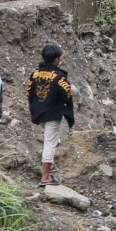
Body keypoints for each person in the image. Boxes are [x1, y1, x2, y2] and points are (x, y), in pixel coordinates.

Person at [27, 43, 75, 186]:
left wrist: (33, 106)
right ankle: (46, 177)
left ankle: (49, 165)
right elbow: (67, 93)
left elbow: (29, 91)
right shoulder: (59, 77)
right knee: (50, 142)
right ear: (57, 59)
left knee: (51, 138)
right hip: (53, 114)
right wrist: (66, 105)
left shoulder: (35, 74)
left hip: (38, 112)